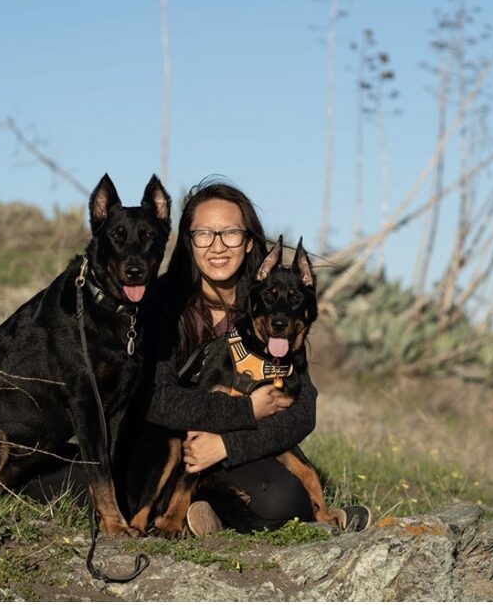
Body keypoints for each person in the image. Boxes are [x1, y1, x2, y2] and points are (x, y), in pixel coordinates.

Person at [129, 178, 370, 536]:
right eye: (204, 234)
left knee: (283, 501)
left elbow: (301, 410)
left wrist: (226, 445)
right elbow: (157, 400)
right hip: (159, 442)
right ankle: (187, 509)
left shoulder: (270, 299)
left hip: (224, 448)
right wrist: (244, 411)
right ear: (188, 240)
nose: (217, 246)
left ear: (248, 240)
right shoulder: (161, 300)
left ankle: (209, 511)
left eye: (230, 233)